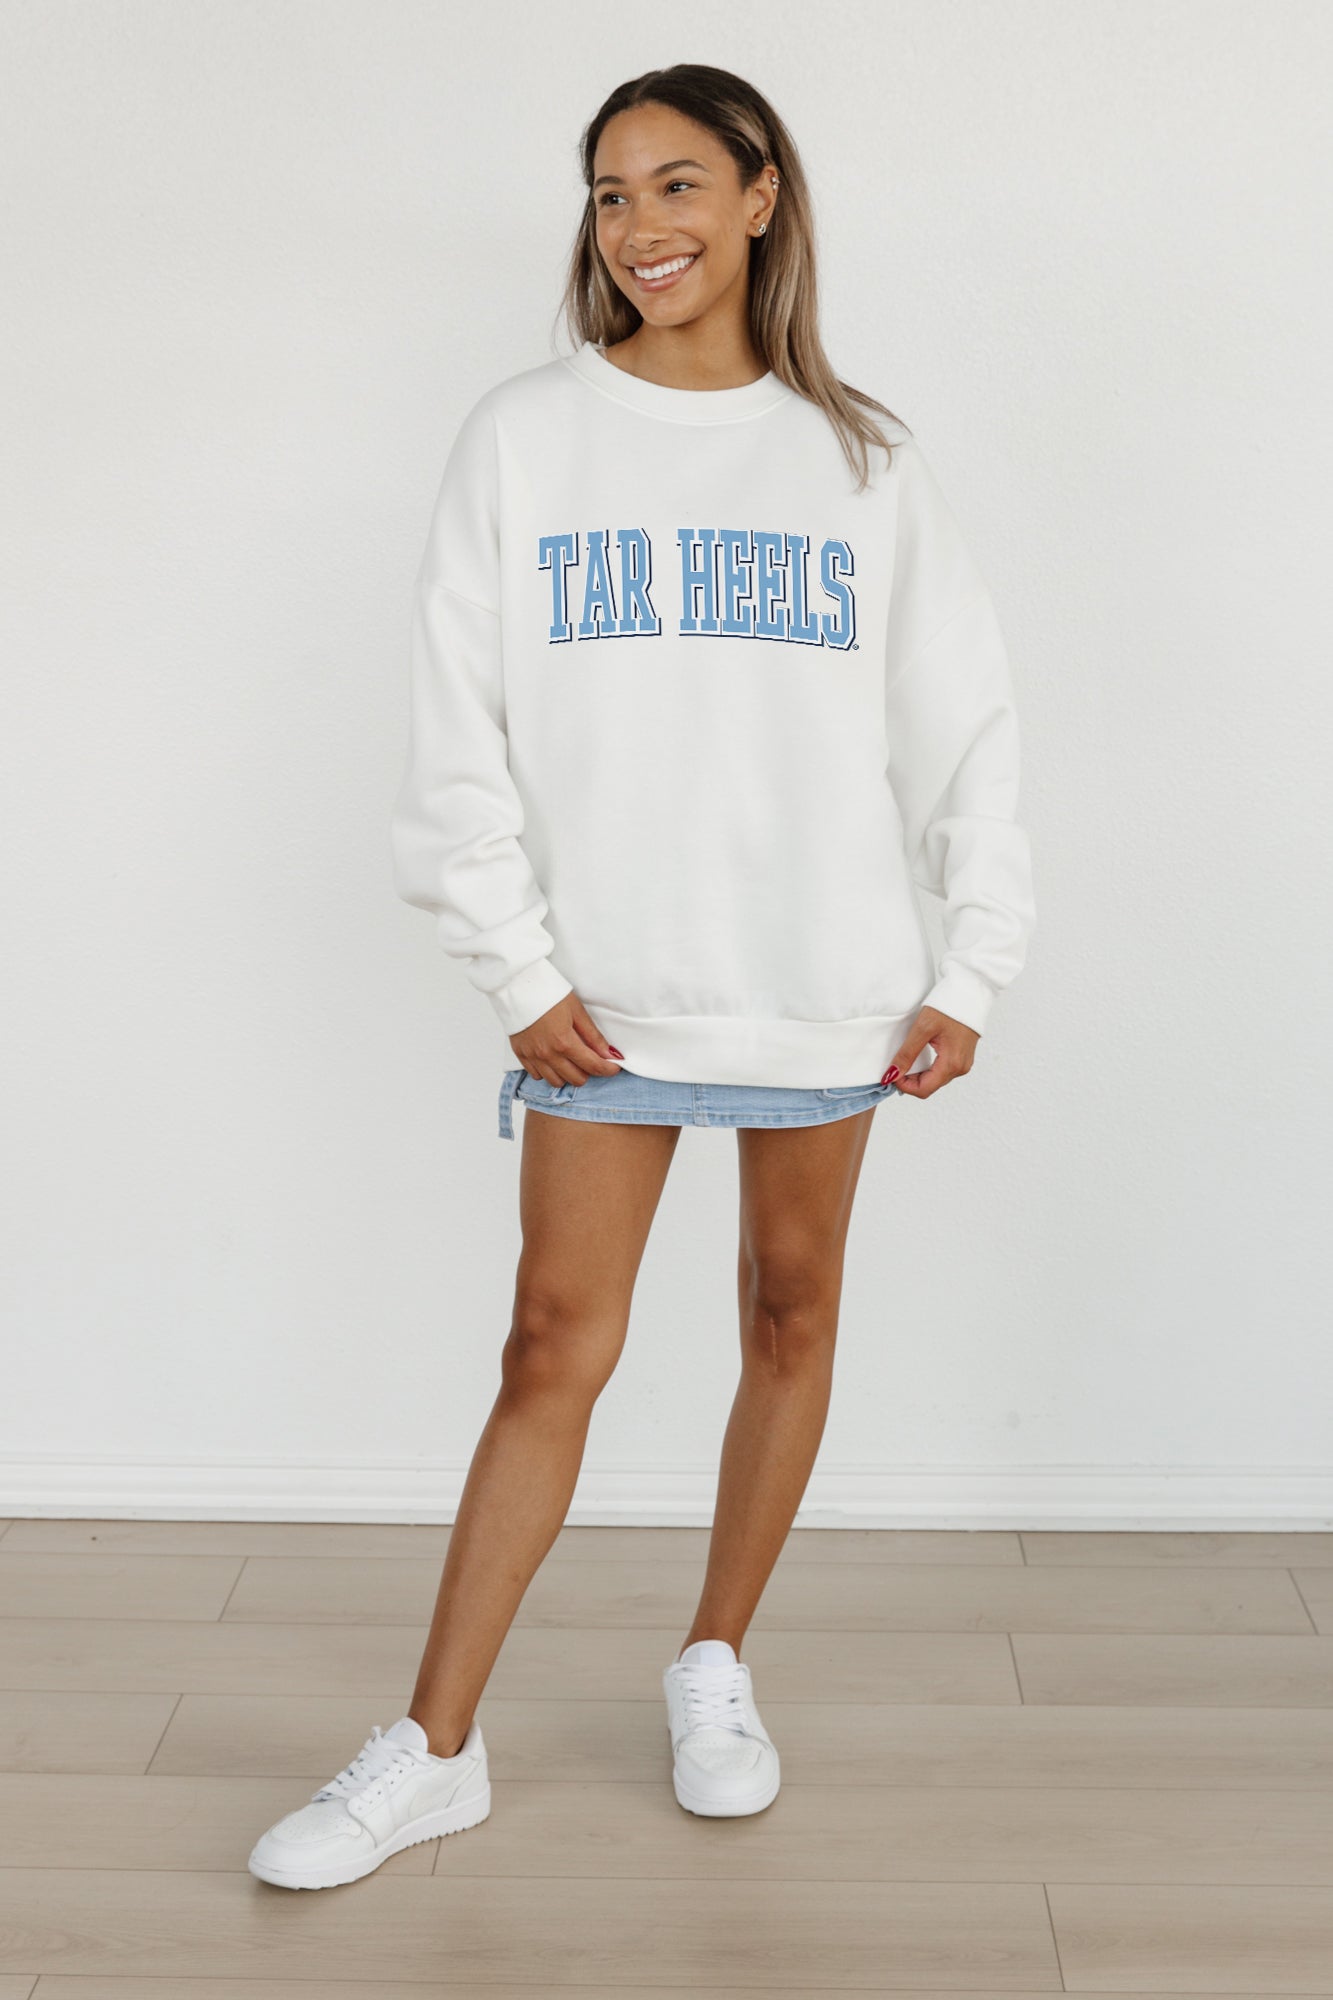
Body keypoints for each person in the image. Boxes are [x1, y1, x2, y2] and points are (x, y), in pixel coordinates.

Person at [248, 61, 1036, 1892]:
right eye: (608, 194)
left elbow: (965, 731)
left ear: (761, 195)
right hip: (601, 998)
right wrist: (515, 965)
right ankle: (433, 1749)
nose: (638, 225)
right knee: (553, 1343)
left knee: (789, 1315)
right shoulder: (526, 436)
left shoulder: (864, 462)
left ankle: (714, 1660)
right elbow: (455, 729)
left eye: (676, 183)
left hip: (824, 980)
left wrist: (973, 963)